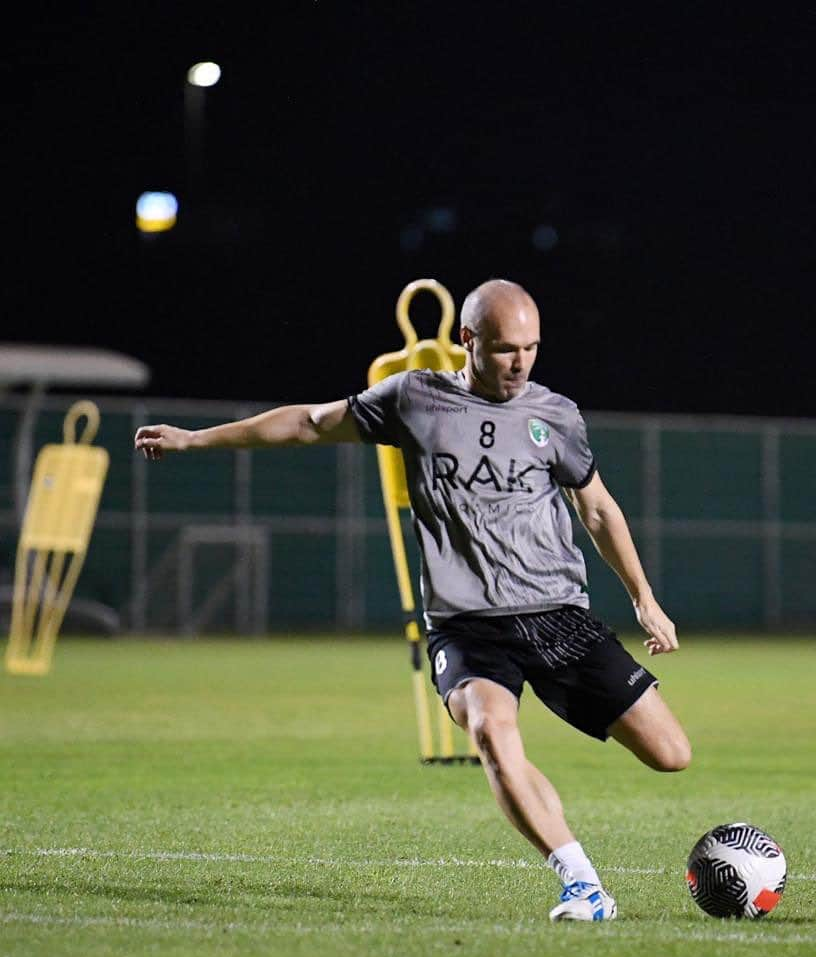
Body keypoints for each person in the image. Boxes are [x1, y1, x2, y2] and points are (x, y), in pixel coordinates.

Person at [135, 279, 692, 923]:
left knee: (670, 754)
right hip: (466, 624)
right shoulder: (415, 398)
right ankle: (582, 883)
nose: (520, 363)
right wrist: (198, 439)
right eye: (506, 348)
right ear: (467, 340)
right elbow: (310, 423)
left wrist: (644, 599)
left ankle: (543, 811)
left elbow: (595, 506)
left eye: (532, 348)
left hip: (556, 614)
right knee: (490, 730)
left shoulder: (556, 415)